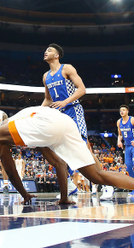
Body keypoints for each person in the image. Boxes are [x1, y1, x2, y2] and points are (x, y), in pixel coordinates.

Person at [0, 106, 134, 205]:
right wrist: (62, 198)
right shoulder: (34, 135)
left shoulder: (9, 127)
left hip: (48, 122)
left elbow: (9, 168)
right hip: (64, 124)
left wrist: (23, 194)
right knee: (98, 175)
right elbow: (59, 164)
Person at [42, 43, 91, 196]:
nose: (45, 51)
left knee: (81, 145)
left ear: (56, 55)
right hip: (58, 115)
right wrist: (36, 112)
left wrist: (65, 102)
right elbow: (48, 100)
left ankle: (101, 182)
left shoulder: (67, 68)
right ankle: (69, 184)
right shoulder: (46, 76)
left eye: (49, 50)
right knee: (59, 149)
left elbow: (82, 89)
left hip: (73, 110)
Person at [116, 105, 134, 197]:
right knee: (128, 166)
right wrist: (119, 141)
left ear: (127, 111)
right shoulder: (119, 122)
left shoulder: (133, 120)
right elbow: (120, 134)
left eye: (123, 110)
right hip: (127, 146)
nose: (122, 112)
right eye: (120, 110)